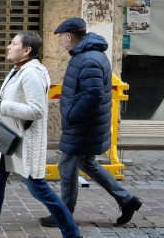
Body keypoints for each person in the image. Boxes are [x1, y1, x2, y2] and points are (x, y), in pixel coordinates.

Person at [0, 31, 81, 238]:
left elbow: (37, 110)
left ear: (27, 50)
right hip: (7, 140)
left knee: (39, 189)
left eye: (14, 43)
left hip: (24, 142)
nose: (8, 47)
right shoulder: (17, 70)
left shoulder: (31, 73)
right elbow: (12, 101)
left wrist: (1, 105)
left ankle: (72, 234)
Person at [39, 18, 143, 228]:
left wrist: (71, 115)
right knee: (87, 163)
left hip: (84, 126)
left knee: (66, 167)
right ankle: (127, 200)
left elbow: (93, 95)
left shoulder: (88, 59)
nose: (61, 41)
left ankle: (64, 214)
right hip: (88, 125)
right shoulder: (89, 55)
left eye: (61, 37)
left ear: (69, 36)